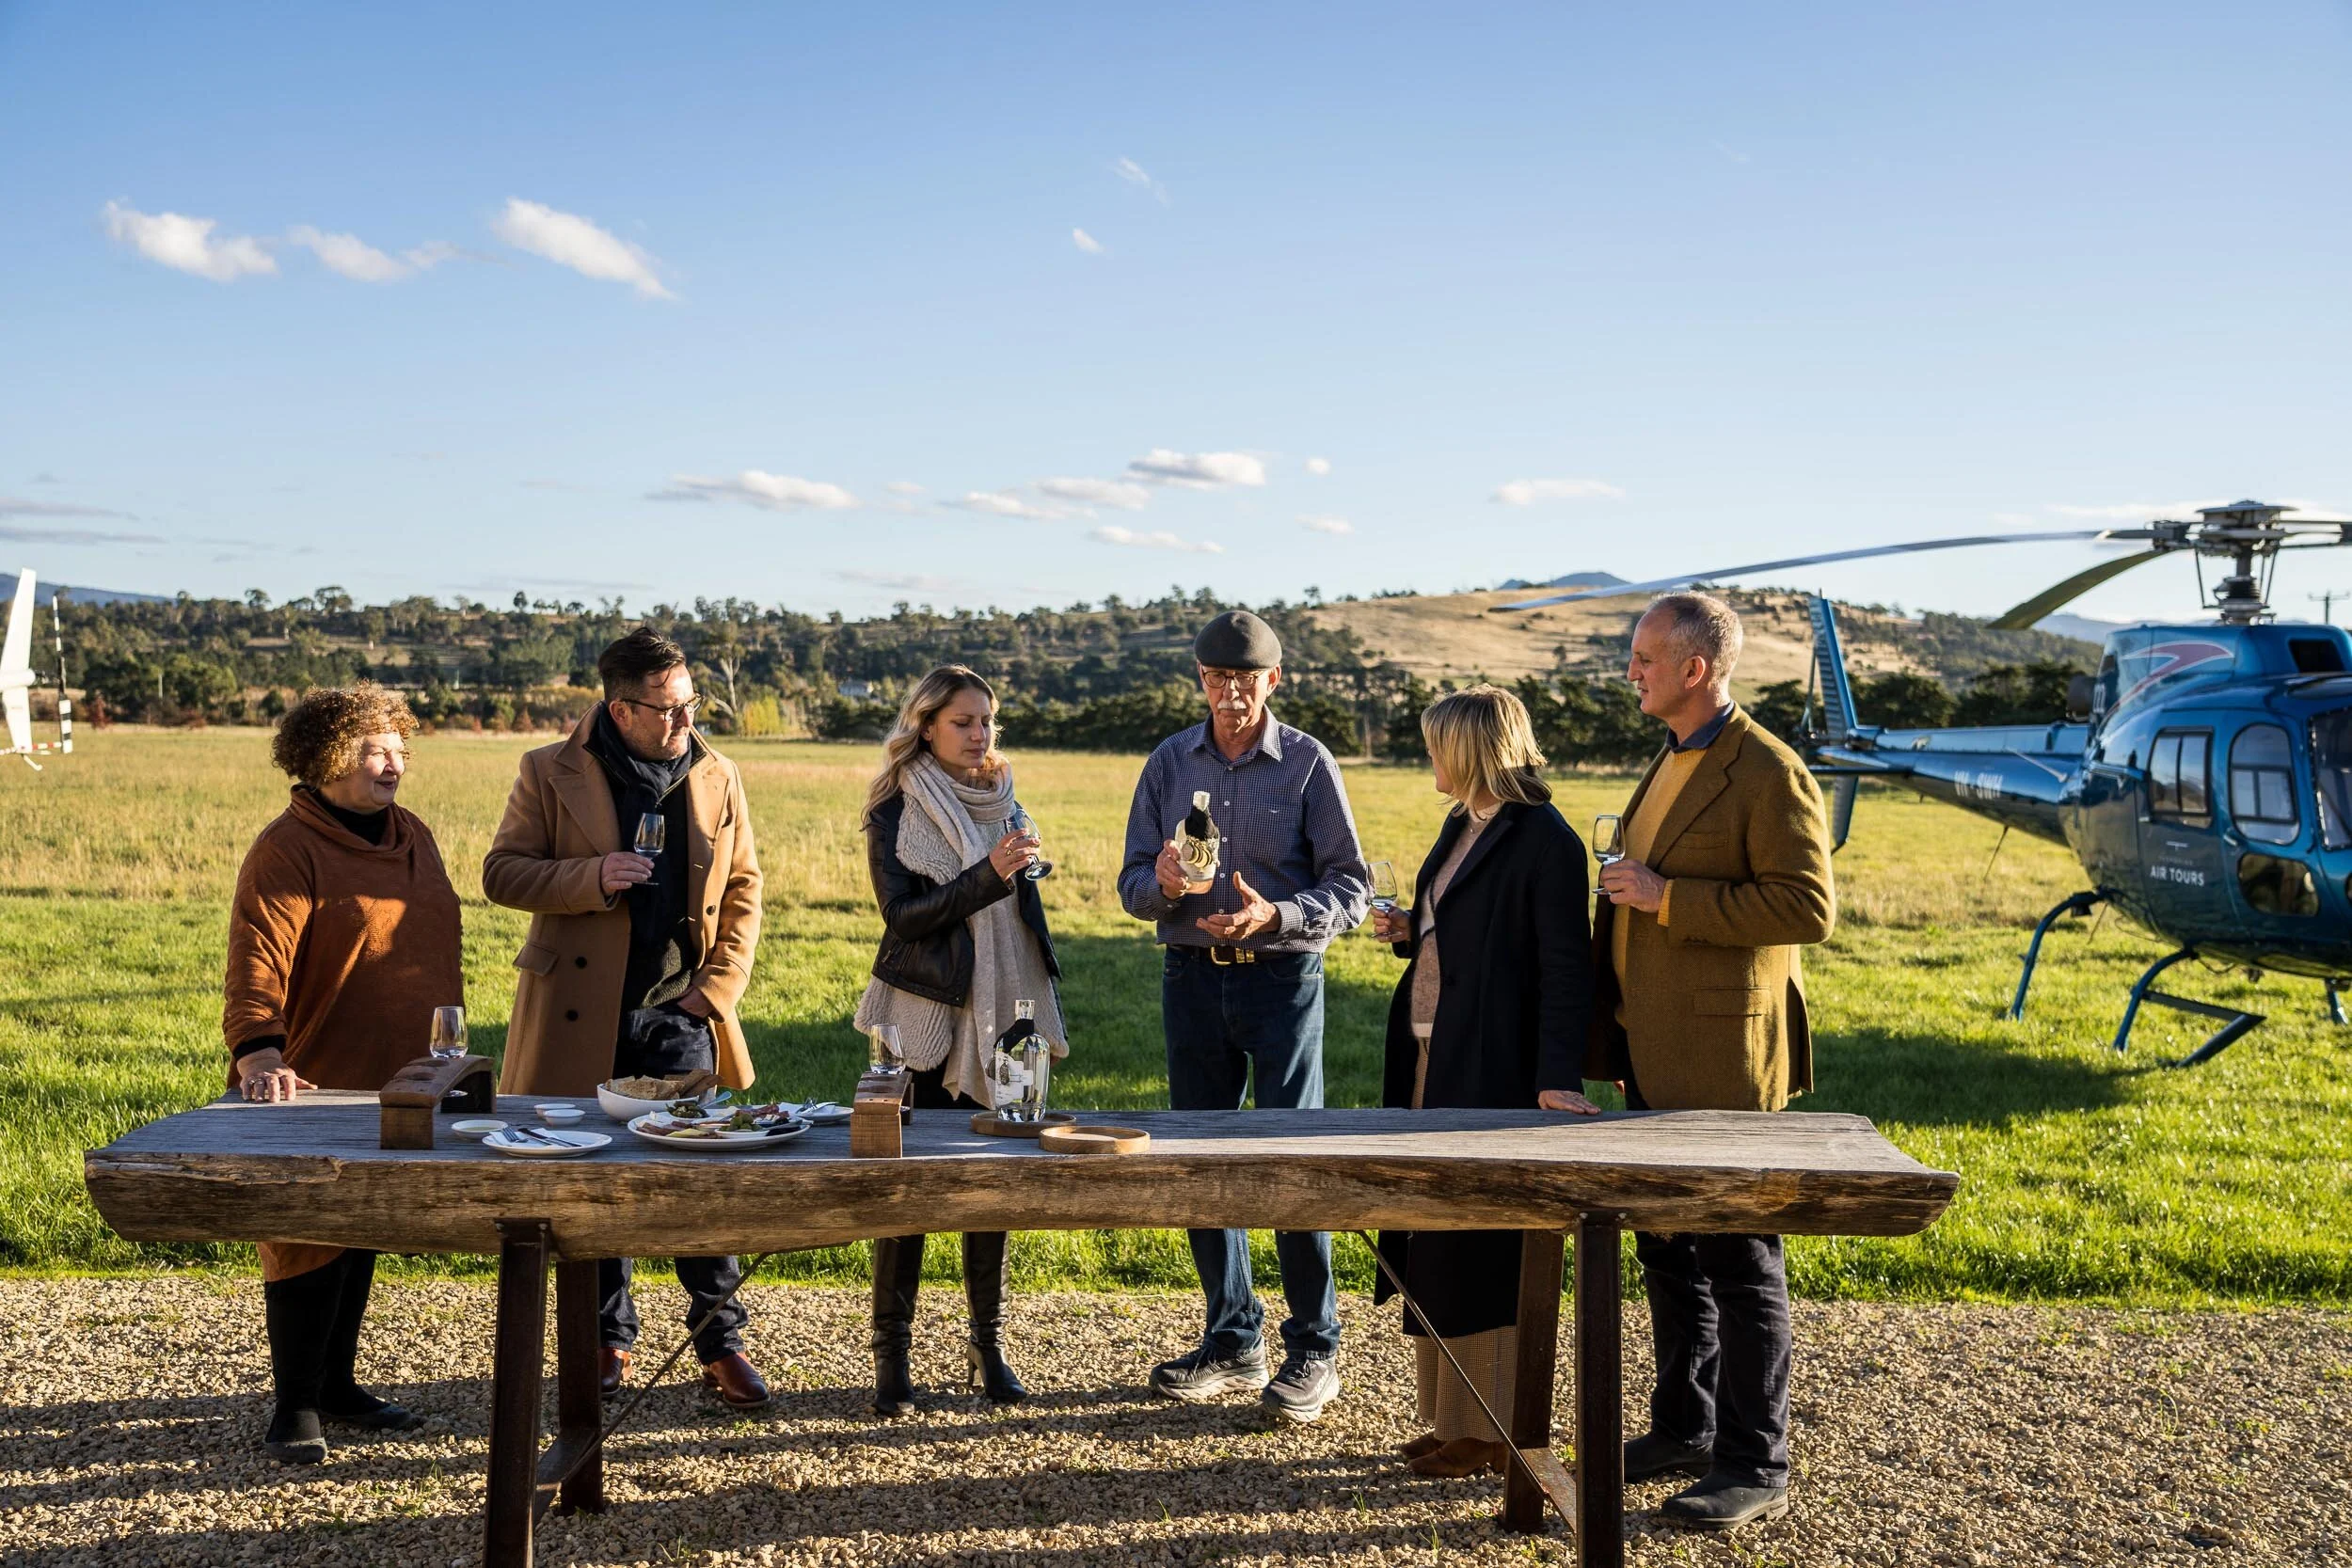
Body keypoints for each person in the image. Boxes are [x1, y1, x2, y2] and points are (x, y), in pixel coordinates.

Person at [1588, 592, 1835, 1530]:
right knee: (1666, 1249)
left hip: (1725, 1057)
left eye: (1646, 656)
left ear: (1696, 668)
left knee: (1737, 1258)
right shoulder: (1673, 753)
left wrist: (1663, 897)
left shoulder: (1767, 770)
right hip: (1654, 1050)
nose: (1632, 668)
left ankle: (1754, 1458)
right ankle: (1683, 1425)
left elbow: (1805, 907)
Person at [482, 627, 770, 1410]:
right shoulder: (548, 769)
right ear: (621, 708)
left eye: (690, 703)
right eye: (669, 708)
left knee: (699, 1176)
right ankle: (606, 1338)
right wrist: (590, 875)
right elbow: (501, 872)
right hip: (580, 1012)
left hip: (680, 1009)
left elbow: (744, 886)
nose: (685, 721)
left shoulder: (716, 771)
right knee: (590, 1178)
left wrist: (718, 987)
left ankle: (722, 1342)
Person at [1118, 609, 1371, 1425]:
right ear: (1200, 679)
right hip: (1190, 976)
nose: (1231, 694)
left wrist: (1279, 917)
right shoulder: (1166, 762)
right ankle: (1232, 1339)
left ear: (1275, 679)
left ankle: (1314, 1347)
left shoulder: (1305, 763)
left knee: (1292, 1155)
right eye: (1217, 679)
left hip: (1283, 979)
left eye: (1246, 680)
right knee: (1197, 1154)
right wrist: (1161, 884)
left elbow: (1352, 887)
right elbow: (1130, 887)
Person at [224, 685, 462, 1465]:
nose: (393, 762)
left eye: (399, 746)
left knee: (358, 1226)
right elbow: (257, 956)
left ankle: (337, 1384)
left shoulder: (412, 833)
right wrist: (259, 1050)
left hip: (401, 1070)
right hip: (313, 1073)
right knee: (302, 1231)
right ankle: (294, 1402)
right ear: (327, 757)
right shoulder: (286, 847)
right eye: (373, 748)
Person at [1369, 685, 1599, 1479]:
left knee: (1483, 1247)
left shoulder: (1546, 840)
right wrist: (1411, 930)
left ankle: (1492, 1433)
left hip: (1494, 1064)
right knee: (1436, 1238)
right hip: (1433, 1054)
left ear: (1470, 750)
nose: (1428, 757)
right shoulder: (1461, 822)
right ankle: (1451, 1418)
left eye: (1437, 744)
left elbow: (1567, 971)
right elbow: (1458, 927)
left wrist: (1554, 1077)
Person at [852, 665, 1066, 1415]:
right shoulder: (894, 809)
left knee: (993, 1181)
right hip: (926, 1019)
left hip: (1010, 1012)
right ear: (926, 726)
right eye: (964, 722)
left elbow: (1012, 896)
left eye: (987, 722)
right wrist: (988, 875)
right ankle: (891, 1356)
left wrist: (1026, 873)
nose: (980, 736)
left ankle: (987, 1344)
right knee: (906, 1190)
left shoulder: (1006, 798)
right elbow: (905, 917)